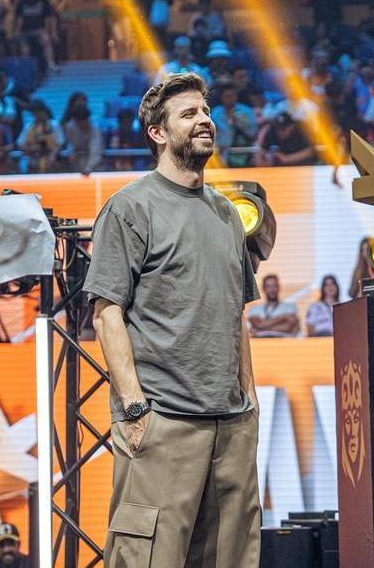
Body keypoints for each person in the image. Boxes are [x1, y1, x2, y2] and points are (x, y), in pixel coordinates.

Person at [85, 72, 261, 566]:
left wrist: (249, 403)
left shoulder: (228, 214)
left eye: (206, 111)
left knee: (233, 558)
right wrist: (136, 410)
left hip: (231, 427)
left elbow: (236, 314)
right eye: (189, 114)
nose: (205, 120)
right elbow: (106, 315)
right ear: (158, 133)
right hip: (162, 421)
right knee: (148, 558)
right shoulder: (129, 208)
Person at [13, 0, 58, 73]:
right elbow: (17, 18)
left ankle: (50, 64)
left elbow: (50, 17)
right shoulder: (22, 1)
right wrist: (15, 32)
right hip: (25, 31)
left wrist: (53, 32)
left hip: (39, 30)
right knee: (25, 49)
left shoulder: (43, 0)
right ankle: (27, 69)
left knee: (46, 41)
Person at [211, 83, 256, 167]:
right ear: (222, 97)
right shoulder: (216, 113)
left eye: (232, 95)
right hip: (222, 152)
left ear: (236, 96)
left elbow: (252, 133)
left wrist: (240, 123)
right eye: (227, 96)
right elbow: (212, 133)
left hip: (243, 151)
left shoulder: (246, 111)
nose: (230, 99)